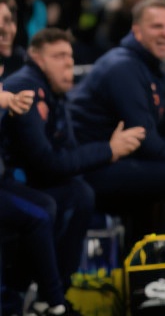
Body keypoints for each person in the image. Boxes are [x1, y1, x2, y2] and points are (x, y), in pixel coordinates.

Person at [0, 28, 146, 301]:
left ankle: (53, 298)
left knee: (79, 193)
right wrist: (108, 150)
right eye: (58, 56)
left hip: (30, 183)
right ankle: (41, 300)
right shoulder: (26, 87)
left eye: (69, 55)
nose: (68, 63)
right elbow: (47, 163)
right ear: (37, 58)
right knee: (47, 207)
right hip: (18, 183)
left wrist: (108, 151)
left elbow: (66, 153)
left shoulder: (53, 93)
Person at [68, 0, 165, 247]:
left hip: (123, 161)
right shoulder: (122, 68)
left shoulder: (156, 67)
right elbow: (150, 144)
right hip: (91, 167)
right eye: (157, 26)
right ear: (136, 31)